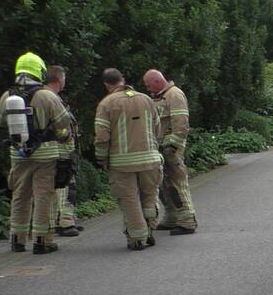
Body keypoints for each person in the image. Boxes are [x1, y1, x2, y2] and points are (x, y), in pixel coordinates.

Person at [0, 52, 73, 254]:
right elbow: (64, 121)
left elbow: (0, 121)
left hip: (18, 154)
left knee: (20, 196)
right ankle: (42, 241)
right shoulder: (46, 95)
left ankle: (17, 240)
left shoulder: (8, 96)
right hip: (45, 155)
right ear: (40, 71)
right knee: (43, 196)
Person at [93, 68, 163, 250]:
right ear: (122, 80)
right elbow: (157, 128)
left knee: (129, 199)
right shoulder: (146, 99)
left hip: (122, 163)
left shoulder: (106, 104)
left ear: (107, 85)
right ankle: (149, 230)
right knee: (149, 196)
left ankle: (138, 239)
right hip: (150, 159)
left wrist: (101, 159)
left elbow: (102, 137)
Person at [142, 69, 197, 234]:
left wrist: (172, 146)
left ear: (157, 81)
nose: (147, 88)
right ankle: (172, 217)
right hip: (161, 149)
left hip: (171, 150)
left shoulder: (174, 95)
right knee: (164, 184)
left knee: (176, 183)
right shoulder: (160, 97)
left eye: (148, 84)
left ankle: (187, 221)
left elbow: (181, 123)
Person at [42, 65, 84, 237]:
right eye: (64, 78)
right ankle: (65, 223)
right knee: (65, 187)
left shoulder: (47, 97)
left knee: (62, 188)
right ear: (59, 79)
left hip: (59, 152)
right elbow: (60, 126)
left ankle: (64, 221)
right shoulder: (50, 98)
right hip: (59, 152)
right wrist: (66, 136)